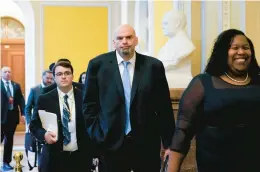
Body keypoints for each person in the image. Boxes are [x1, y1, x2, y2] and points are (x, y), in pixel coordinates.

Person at [83, 24, 175, 172]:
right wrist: (97, 135)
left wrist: (169, 143)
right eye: (120, 38)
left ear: (136, 40)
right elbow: (89, 105)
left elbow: (164, 107)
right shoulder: (97, 65)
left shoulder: (153, 66)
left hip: (146, 143)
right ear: (114, 43)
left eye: (129, 37)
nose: (124, 41)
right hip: (110, 143)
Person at [168, 29, 260, 172]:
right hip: (215, 166)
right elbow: (183, 131)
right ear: (223, 52)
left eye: (246, 48)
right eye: (234, 48)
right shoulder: (203, 83)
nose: (241, 52)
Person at [30, 62, 93, 172]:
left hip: (80, 158)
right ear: (54, 77)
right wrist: (44, 135)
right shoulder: (44, 99)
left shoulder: (85, 98)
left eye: (67, 73)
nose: (63, 77)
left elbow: (93, 123)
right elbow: (34, 125)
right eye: (59, 74)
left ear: (72, 76)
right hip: (53, 158)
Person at [158, 9, 195, 88]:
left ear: (177, 23)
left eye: (165, 23)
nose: (162, 27)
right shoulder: (168, 44)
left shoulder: (186, 46)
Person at [24, 69, 53, 166]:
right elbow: (28, 108)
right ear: (42, 77)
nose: (49, 80)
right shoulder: (35, 90)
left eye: (51, 78)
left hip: (51, 123)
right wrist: (29, 122)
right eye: (47, 78)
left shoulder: (54, 89)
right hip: (38, 124)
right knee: (39, 149)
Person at [1, 66, 25, 171]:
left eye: (9, 72)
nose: (7, 73)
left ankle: (6, 162)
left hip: (12, 117)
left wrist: (23, 114)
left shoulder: (16, 85)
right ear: (1, 74)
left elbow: (21, 100)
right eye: (5, 72)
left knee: (9, 140)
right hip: (0, 117)